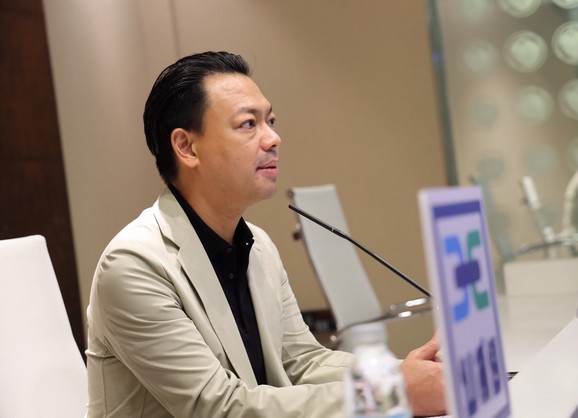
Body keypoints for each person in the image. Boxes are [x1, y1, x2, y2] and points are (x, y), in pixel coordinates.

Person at [85, 50, 446, 417]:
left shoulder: (259, 246)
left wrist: (409, 375)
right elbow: (218, 408)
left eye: (270, 121)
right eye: (248, 124)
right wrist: (390, 392)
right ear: (186, 147)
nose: (273, 138)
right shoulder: (134, 266)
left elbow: (302, 363)